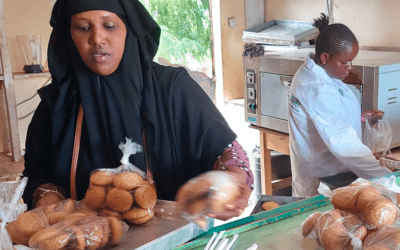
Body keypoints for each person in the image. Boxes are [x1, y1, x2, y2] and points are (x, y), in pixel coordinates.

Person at [22, 0, 253, 221]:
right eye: (83, 28)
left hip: (174, 246)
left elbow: (229, 151)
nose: (97, 38)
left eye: (109, 26)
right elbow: (36, 176)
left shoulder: (172, 89)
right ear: (69, 35)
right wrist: (47, 198)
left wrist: (231, 178)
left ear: (128, 28)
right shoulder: (57, 105)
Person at [288, 13, 391, 198]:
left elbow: (328, 115)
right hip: (320, 183)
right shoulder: (314, 87)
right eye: (344, 62)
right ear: (325, 57)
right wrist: (388, 180)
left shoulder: (320, 72)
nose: (350, 67)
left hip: (333, 173)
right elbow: (344, 144)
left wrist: (358, 118)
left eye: (351, 61)